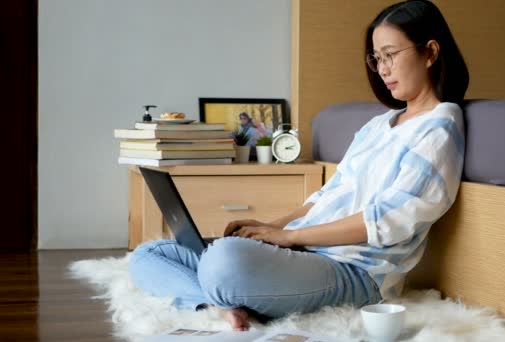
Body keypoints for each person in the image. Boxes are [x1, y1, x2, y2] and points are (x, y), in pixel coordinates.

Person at [128, 0, 469, 332]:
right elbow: (328, 194)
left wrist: (288, 237)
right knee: (149, 254)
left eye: (391, 55)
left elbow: (386, 221)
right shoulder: (378, 125)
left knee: (225, 260)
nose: (382, 69)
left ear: (431, 52)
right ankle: (215, 305)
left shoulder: (439, 128)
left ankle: (221, 291)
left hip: (356, 271)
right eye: (377, 58)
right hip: (309, 251)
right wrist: (270, 228)